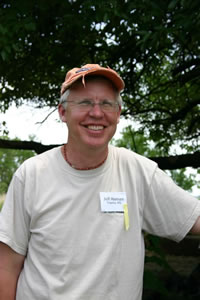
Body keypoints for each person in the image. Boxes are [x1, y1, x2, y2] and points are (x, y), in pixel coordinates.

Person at [0, 63, 200, 300]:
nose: (96, 113)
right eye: (84, 103)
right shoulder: (31, 174)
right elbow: (7, 265)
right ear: (62, 112)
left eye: (106, 103)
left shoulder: (138, 172)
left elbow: (193, 219)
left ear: (118, 113)